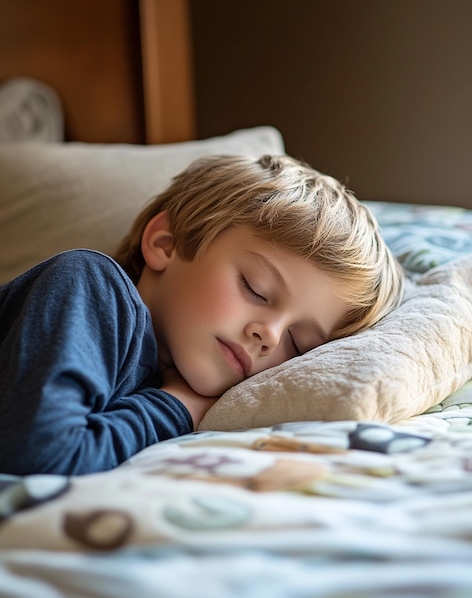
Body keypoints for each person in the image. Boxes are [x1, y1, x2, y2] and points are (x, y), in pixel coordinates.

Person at [0, 154, 403, 476]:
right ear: (166, 243)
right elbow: (41, 454)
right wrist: (178, 404)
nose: (270, 335)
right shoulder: (90, 285)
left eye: (299, 343)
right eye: (255, 288)